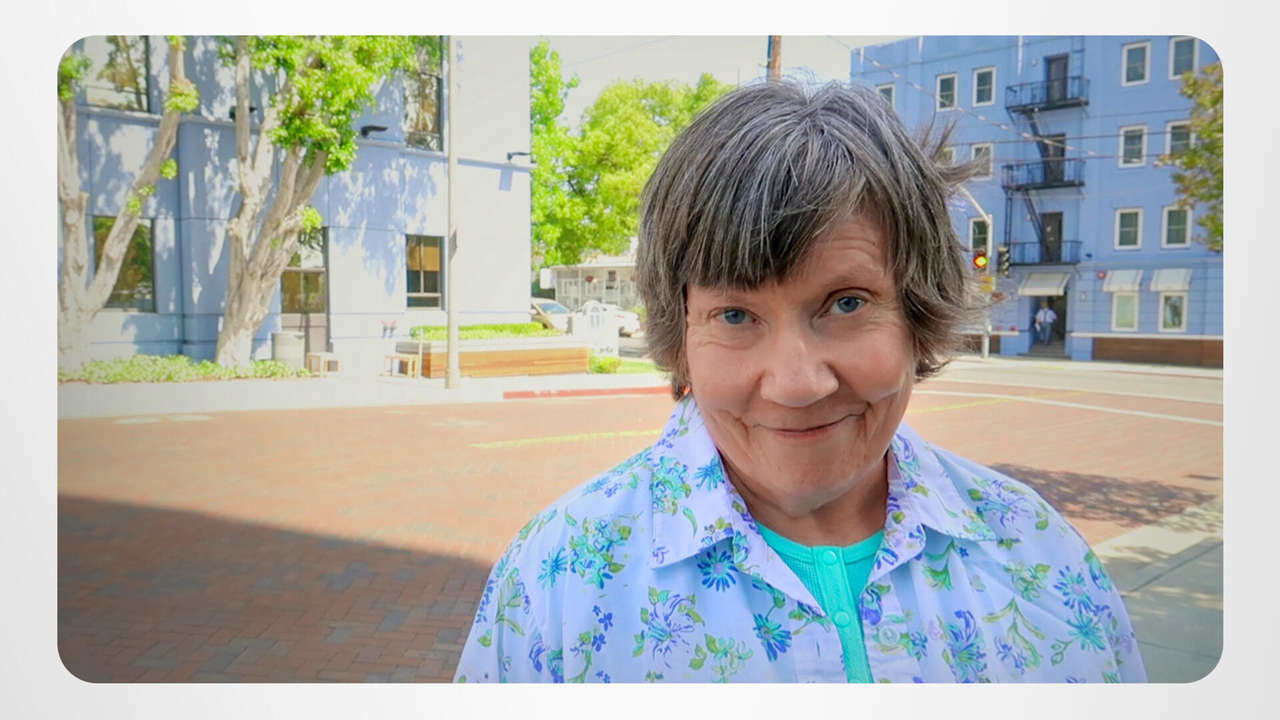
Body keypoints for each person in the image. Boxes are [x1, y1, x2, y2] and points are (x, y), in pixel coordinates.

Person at [454, 81, 1144, 683]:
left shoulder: (1040, 556)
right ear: (681, 334)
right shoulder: (555, 588)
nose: (795, 384)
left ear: (918, 311)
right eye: (735, 314)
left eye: (846, 304)